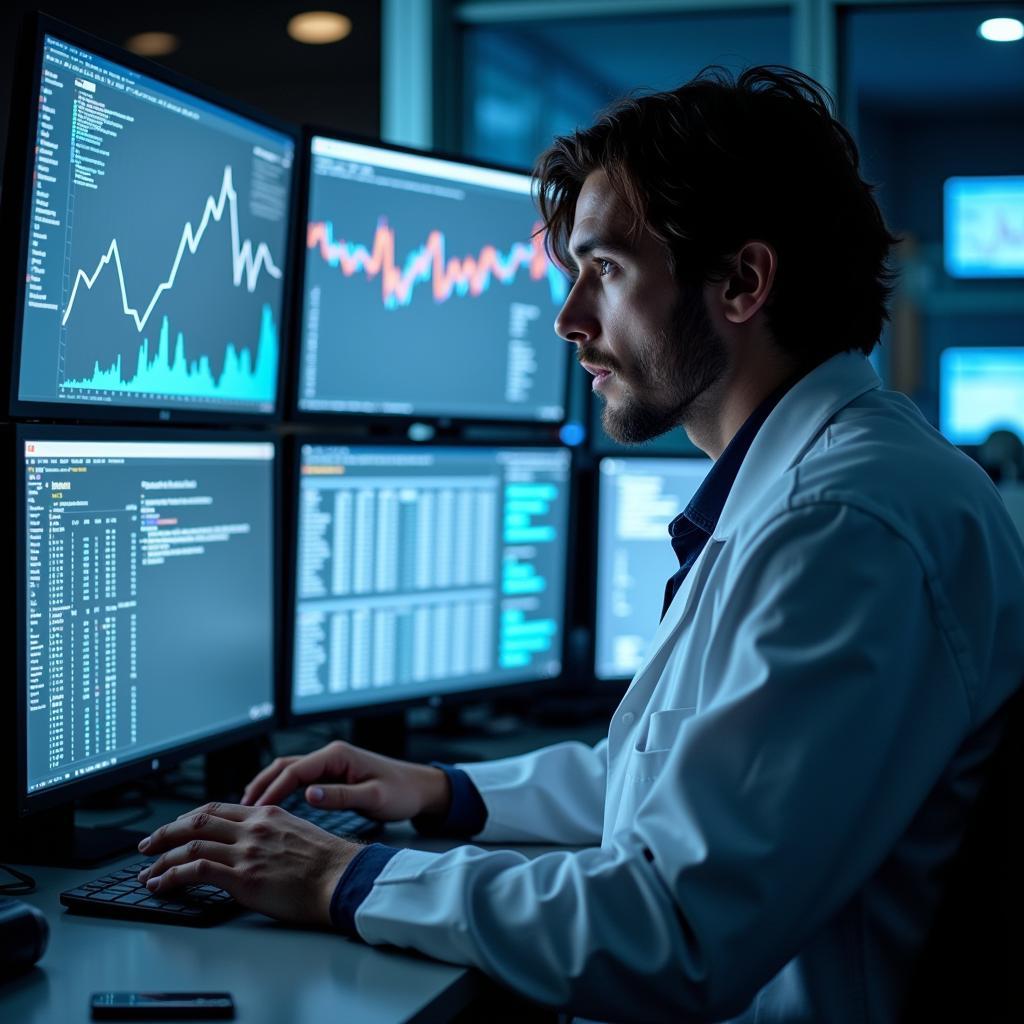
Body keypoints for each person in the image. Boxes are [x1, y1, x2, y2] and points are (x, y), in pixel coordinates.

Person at [136, 67, 1024, 1022]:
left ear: (742, 281)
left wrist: (348, 878)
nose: (569, 320)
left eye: (603, 269)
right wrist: (445, 790)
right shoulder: (839, 478)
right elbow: (681, 777)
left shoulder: (844, 525)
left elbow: (674, 926)